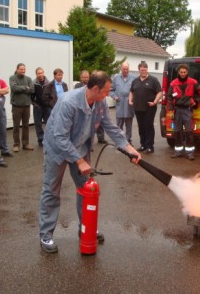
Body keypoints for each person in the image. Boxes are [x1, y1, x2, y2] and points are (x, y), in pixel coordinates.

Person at [38, 70, 141, 254]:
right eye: (106, 91)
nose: (108, 95)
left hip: (80, 147)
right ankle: (46, 235)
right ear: (95, 88)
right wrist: (78, 160)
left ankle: (86, 227)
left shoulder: (100, 102)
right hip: (57, 149)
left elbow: (110, 126)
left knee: (87, 191)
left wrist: (128, 148)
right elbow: (60, 137)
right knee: (52, 191)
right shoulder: (69, 103)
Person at [167, 63, 200, 160]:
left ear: (187, 72)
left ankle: (189, 153)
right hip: (177, 110)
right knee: (177, 131)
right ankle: (178, 151)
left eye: (184, 72)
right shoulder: (173, 83)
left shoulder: (193, 82)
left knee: (188, 131)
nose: (183, 73)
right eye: (181, 72)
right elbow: (169, 96)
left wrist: (195, 101)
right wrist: (170, 108)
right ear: (178, 72)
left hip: (187, 110)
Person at [129, 62, 162, 154]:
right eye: (141, 70)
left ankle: (150, 147)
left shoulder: (153, 80)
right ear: (139, 70)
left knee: (148, 127)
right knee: (141, 127)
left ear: (147, 70)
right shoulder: (135, 81)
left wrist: (155, 102)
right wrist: (130, 101)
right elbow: (131, 91)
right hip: (138, 108)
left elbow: (160, 92)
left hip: (149, 108)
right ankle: (143, 145)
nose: (143, 71)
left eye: (145, 69)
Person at [75, 70, 106, 144]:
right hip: (82, 109)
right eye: (84, 77)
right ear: (81, 78)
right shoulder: (77, 86)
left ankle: (92, 142)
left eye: (87, 77)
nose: (86, 79)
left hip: (93, 108)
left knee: (94, 126)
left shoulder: (91, 85)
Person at [9, 63, 34, 152]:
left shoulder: (28, 79)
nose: (23, 71)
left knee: (26, 126)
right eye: (21, 69)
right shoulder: (12, 78)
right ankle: (16, 145)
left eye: (24, 69)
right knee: (16, 126)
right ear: (17, 69)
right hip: (16, 106)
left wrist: (23, 88)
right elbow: (14, 88)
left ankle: (25, 144)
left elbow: (32, 90)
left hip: (26, 106)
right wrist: (25, 88)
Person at [110, 61, 136, 144]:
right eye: (124, 69)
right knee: (119, 124)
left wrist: (133, 99)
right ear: (121, 69)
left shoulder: (133, 78)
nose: (125, 71)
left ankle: (128, 140)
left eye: (127, 69)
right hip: (120, 103)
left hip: (129, 105)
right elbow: (111, 90)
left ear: (129, 69)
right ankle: (119, 140)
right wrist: (115, 96)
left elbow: (136, 91)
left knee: (129, 124)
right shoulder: (116, 78)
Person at [31, 67, 49, 147]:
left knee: (48, 123)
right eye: (38, 73)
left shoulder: (48, 83)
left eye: (41, 73)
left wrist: (49, 103)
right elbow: (31, 95)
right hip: (37, 107)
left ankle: (48, 139)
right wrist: (33, 103)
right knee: (38, 124)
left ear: (43, 73)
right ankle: (40, 139)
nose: (40, 75)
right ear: (36, 74)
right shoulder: (33, 83)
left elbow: (51, 94)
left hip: (47, 107)